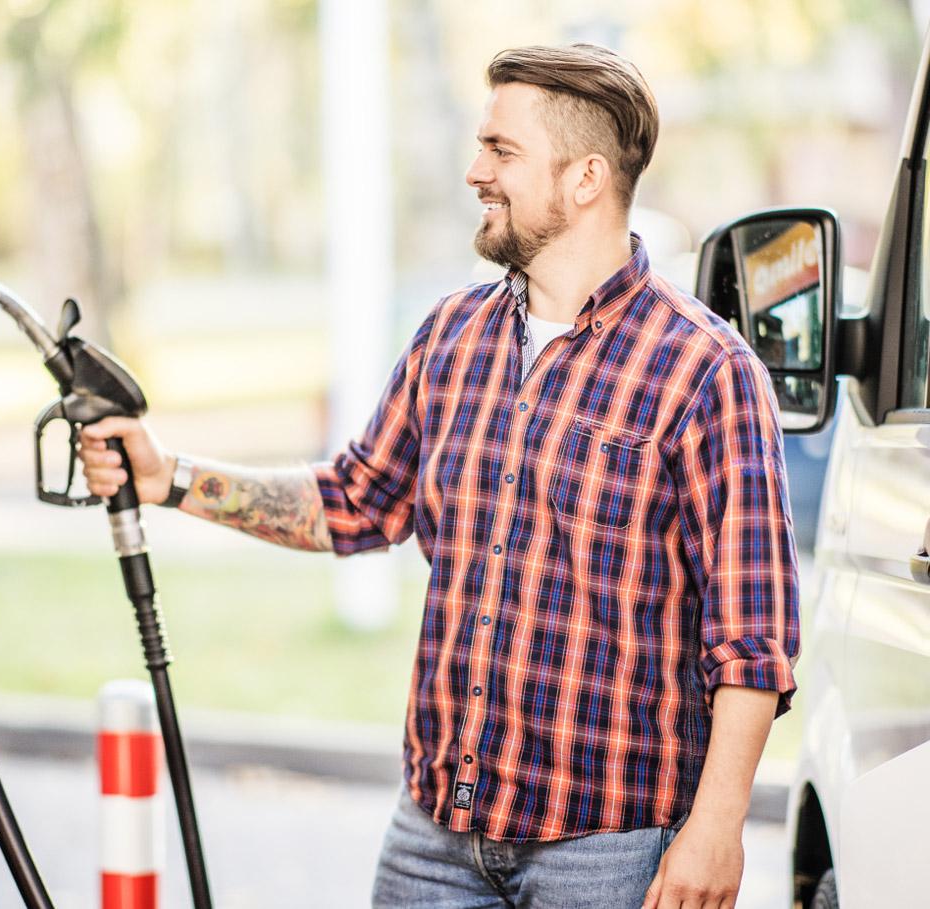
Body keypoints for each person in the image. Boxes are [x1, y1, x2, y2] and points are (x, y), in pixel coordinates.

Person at [79, 43, 799, 909]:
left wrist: (716, 829)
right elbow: (353, 502)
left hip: (610, 855)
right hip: (434, 843)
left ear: (585, 179)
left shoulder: (706, 369)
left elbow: (752, 638)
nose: (474, 172)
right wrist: (171, 478)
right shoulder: (451, 336)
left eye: (502, 151)